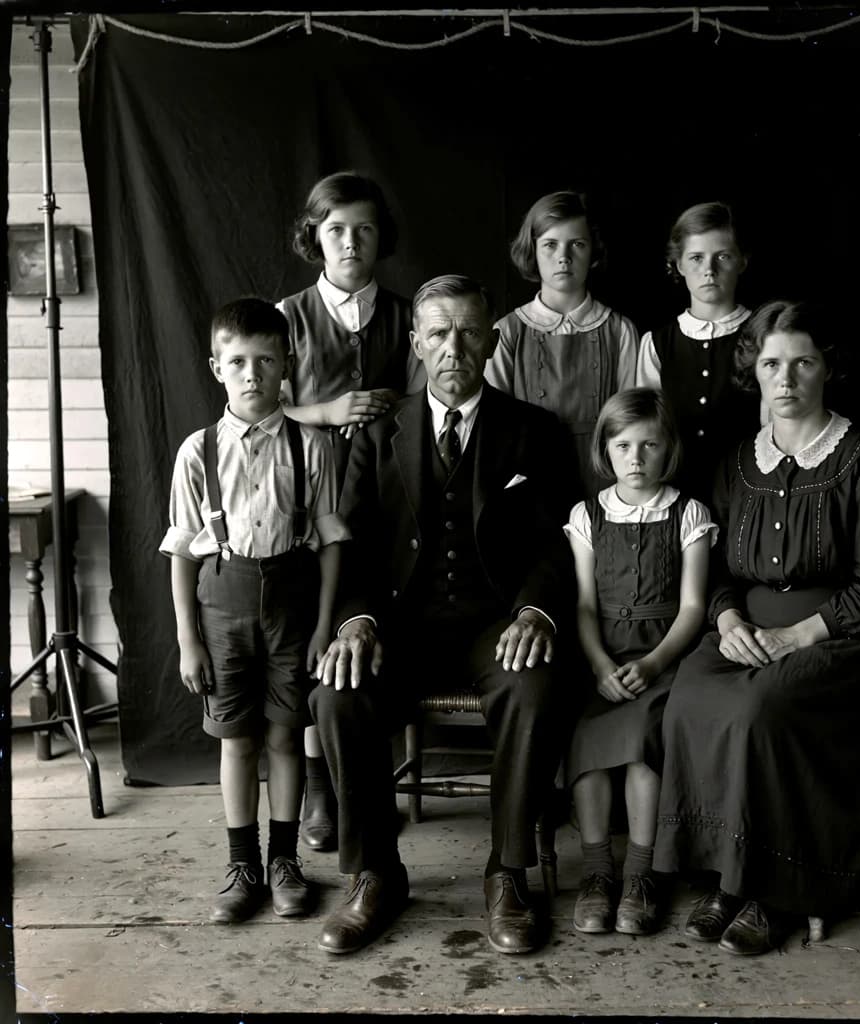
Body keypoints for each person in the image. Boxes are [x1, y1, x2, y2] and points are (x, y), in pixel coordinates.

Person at [310, 274, 579, 957]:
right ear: (416, 344)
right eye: (438, 333)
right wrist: (355, 621)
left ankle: (508, 872)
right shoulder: (377, 435)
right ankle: (376, 874)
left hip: (496, 624)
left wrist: (537, 612)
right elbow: (357, 545)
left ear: (490, 339)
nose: (453, 346)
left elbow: (556, 541)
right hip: (401, 624)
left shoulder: (535, 430)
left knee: (536, 684)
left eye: (466, 331)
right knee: (337, 693)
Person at [654, 300, 860, 955]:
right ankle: (729, 878)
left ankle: (777, 891)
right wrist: (728, 617)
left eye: (804, 361)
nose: (788, 377)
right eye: (772, 363)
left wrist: (798, 637)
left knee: (762, 709)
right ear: (755, 373)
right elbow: (711, 562)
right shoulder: (740, 462)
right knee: (690, 692)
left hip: (843, 642)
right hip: (750, 630)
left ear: (828, 369)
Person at [159, 298, 346, 923]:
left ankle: (285, 861)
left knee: (285, 735)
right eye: (237, 361)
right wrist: (189, 641)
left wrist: (324, 627)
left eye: (266, 360)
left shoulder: (311, 446)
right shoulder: (197, 452)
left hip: (293, 606)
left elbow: (330, 544)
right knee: (237, 741)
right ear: (216, 367)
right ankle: (243, 867)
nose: (252, 374)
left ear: (286, 362)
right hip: (223, 608)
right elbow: (182, 552)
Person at [278, 171, 425, 853]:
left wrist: (391, 410)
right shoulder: (290, 315)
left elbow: (429, 403)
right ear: (316, 236)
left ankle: (374, 779)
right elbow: (262, 406)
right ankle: (317, 785)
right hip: (309, 499)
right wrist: (327, 411)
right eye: (335, 229)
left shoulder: (405, 314)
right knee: (315, 630)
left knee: (374, 626)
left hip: (389, 499)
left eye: (363, 229)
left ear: (380, 239)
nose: (349, 242)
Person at [565, 388, 715, 937]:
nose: (635, 458)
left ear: (667, 449)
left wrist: (652, 664)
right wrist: (601, 665)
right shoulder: (587, 516)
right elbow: (583, 605)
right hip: (603, 654)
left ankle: (639, 874)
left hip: (664, 652)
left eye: (649, 445)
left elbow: (695, 607)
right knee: (587, 746)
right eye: (623, 445)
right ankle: (597, 872)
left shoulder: (687, 512)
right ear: (605, 450)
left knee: (643, 750)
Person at [486, 190, 638, 499]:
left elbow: (632, 421)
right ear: (533, 250)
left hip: (604, 477)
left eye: (577, 245)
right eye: (550, 245)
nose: (563, 257)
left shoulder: (620, 331)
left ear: (593, 250)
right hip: (531, 477)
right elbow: (494, 422)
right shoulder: (508, 332)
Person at [636, 201, 759, 502]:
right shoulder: (657, 343)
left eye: (723, 256)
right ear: (679, 264)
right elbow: (647, 428)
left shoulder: (763, 334)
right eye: (696, 258)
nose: (709, 270)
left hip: (751, 491)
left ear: (742, 260)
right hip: (678, 493)